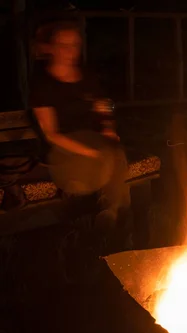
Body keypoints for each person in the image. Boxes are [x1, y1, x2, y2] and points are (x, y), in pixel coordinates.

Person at [30, 20, 132, 245]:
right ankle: (107, 222)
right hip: (62, 151)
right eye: (63, 45)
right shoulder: (41, 85)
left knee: (115, 152)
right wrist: (90, 152)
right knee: (109, 160)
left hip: (93, 144)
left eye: (74, 45)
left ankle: (110, 217)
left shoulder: (87, 77)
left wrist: (108, 128)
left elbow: (106, 104)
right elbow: (51, 135)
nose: (69, 51)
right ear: (51, 48)